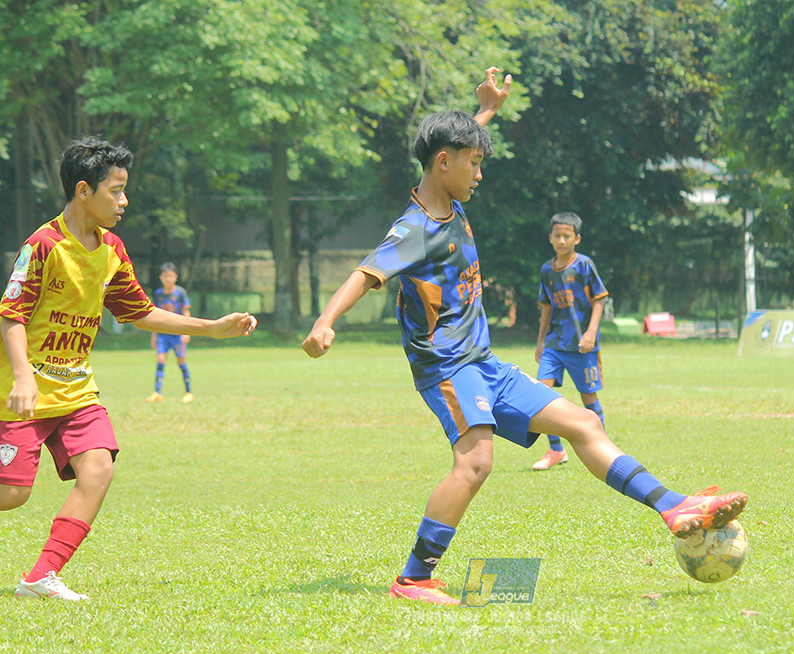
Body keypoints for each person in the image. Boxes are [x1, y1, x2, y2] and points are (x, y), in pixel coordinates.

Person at [301, 68, 747, 606]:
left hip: (483, 363)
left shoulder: (449, 195)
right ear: (445, 163)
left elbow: (455, 144)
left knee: (581, 421)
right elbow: (364, 273)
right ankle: (414, 579)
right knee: (476, 462)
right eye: (475, 161)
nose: (480, 172)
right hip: (447, 369)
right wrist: (325, 323)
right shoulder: (414, 229)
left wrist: (485, 112)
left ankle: (674, 507)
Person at [1, 136, 258, 601]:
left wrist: (211, 328)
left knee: (97, 469)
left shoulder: (112, 249)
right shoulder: (42, 245)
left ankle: (40, 577)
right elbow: (12, 313)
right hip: (24, 393)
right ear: (84, 190)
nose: (124, 200)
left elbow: (139, 312)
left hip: (76, 391)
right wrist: (22, 377)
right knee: (14, 493)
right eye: (116, 190)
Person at [531, 212, 609, 470]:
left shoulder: (584, 265)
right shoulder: (546, 270)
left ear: (577, 238)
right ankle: (555, 449)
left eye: (567, 236)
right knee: (542, 394)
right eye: (557, 235)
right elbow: (546, 307)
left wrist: (591, 332)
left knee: (589, 398)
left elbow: (600, 299)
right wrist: (540, 342)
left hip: (581, 345)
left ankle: (603, 448)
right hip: (555, 344)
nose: (562, 240)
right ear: (550, 238)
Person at [145, 262, 195, 403]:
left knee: (181, 360)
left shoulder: (180, 292)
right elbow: (153, 315)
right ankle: (157, 392)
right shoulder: (158, 294)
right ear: (161, 277)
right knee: (161, 359)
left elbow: (186, 311)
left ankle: (188, 392)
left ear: (175, 277)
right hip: (163, 333)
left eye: (171, 276)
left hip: (178, 333)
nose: (168, 279)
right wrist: (153, 335)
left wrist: (187, 331)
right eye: (166, 276)